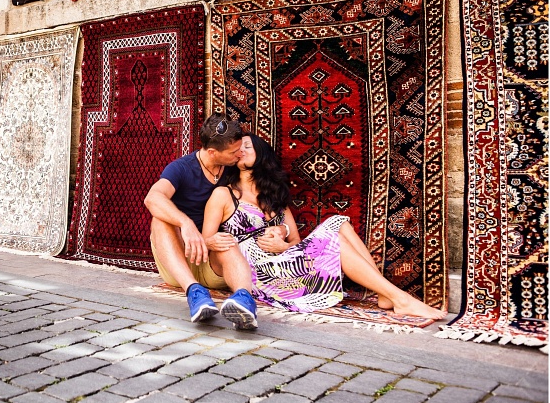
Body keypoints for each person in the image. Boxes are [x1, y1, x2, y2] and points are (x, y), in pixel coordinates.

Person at [203, 133, 447, 320]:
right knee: (336, 241)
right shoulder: (224, 194)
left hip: (284, 261)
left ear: (262, 154)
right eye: (237, 148)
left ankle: (385, 293)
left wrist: (282, 245)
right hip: (254, 272)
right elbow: (207, 240)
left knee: (338, 222)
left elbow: (296, 243)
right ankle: (398, 297)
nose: (241, 151)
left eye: (247, 146)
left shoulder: (275, 199)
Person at [144, 113, 259, 329]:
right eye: (234, 151)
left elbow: (263, 188)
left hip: (213, 261)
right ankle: (195, 294)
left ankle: (244, 301)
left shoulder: (233, 167)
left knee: (226, 241)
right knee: (160, 220)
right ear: (213, 152)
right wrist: (185, 224)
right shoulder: (181, 168)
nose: (239, 153)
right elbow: (152, 198)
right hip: (180, 261)